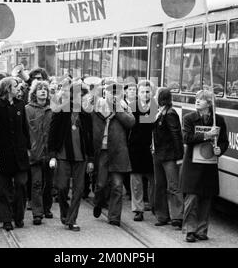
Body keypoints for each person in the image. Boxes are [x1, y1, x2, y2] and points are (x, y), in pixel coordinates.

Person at [180, 90, 229, 242]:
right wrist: (207, 135)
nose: (197, 101)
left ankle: (201, 230)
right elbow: (186, 138)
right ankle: (190, 230)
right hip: (193, 165)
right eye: (197, 98)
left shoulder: (218, 120)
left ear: (209, 103)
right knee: (192, 198)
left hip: (209, 165)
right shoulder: (189, 118)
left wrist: (220, 149)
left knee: (206, 199)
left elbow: (224, 141)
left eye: (201, 99)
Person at [48, 83, 94, 231]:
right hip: (63, 156)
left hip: (81, 157)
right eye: (81, 95)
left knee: (79, 189)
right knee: (61, 188)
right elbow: (52, 134)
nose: (83, 98)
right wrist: (52, 155)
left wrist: (91, 159)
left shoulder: (86, 114)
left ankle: (71, 219)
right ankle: (65, 213)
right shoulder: (61, 112)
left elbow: (90, 137)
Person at [92, 80, 135, 226]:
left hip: (118, 151)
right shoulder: (98, 106)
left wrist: (118, 110)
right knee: (101, 184)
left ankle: (114, 217)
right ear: (105, 93)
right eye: (110, 91)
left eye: (116, 92)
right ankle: (98, 202)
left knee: (117, 185)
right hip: (102, 150)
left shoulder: (124, 107)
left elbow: (131, 123)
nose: (113, 95)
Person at [0, 77, 31, 231]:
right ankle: (6, 218)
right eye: (15, 86)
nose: (18, 89)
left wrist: (28, 147)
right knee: (3, 188)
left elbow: (25, 128)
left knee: (21, 184)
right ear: (8, 88)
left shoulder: (21, 105)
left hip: (20, 152)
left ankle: (19, 216)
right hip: (3, 153)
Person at [152, 88, 184, 229]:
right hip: (158, 154)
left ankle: (177, 217)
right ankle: (162, 215)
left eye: (156, 95)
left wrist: (179, 156)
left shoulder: (170, 113)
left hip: (168, 155)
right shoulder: (160, 112)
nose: (153, 97)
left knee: (173, 186)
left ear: (161, 97)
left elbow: (176, 135)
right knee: (159, 185)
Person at [127, 80, 157, 222]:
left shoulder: (155, 107)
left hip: (150, 147)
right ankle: (138, 209)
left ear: (152, 92)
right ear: (138, 93)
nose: (145, 94)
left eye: (148, 91)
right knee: (136, 181)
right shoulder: (132, 107)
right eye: (142, 92)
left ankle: (154, 205)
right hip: (135, 147)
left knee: (153, 179)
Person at [25, 80, 54, 225]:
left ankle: (46, 207)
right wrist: (28, 149)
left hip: (49, 153)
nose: (43, 91)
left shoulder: (53, 109)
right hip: (34, 151)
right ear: (34, 93)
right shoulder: (28, 109)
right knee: (36, 183)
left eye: (45, 89)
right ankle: (37, 213)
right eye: (40, 89)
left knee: (48, 183)